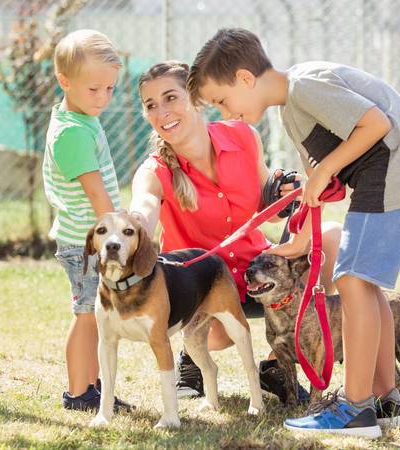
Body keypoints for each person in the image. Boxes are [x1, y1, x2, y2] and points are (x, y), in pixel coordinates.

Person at [187, 28, 400, 439]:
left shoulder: (304, 85)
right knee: (363, 284)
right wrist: (308, 216)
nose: (226, 114)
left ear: (244, 78)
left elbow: (375, 124)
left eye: (222, 101)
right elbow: (325, 177)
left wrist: (327, 170)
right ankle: (385, 399)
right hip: (382, 176)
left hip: (395, 172)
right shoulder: (290, 109)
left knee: (351, 281)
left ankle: (356, 409)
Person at [129, 61, 342, 403]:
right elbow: (145, 205)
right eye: (151, 105)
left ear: (196, 98)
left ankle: (277, 364)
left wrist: (282, 194)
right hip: (205, 289)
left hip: (256, 271)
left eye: (170, 97)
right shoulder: (154, 171)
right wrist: (136, 220)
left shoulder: (243, 136)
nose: (161, 112)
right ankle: (192, 356)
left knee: (330, 236)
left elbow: (266, 205)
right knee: (221, 337)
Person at [42, 29, 132, 412]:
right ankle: (80, 393)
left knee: (97, 315)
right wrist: (121, 232)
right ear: (65, 82)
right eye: (94, 89)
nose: (104, 98)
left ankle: (94, 388)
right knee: (87, 315)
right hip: (85, 243)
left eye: (110, 89)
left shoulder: (80, 117)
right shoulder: (71, 134)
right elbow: (96, 194)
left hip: (92, 238)